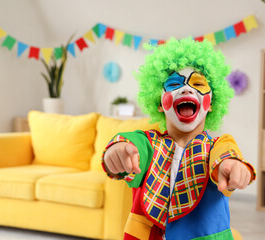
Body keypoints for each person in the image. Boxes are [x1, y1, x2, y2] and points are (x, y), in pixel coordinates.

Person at [102, 37, 256, 240]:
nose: (186, 89)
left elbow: (225, 154)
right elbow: (134, 143)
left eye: (198, 84)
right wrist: (117, 150)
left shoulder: (217, 145)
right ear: (159, 103)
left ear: (211, 103)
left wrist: (232, 166)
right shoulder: (149, 142)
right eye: (174, 84)